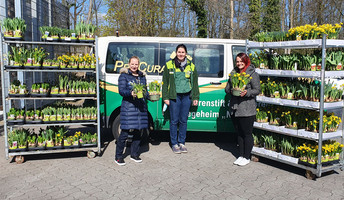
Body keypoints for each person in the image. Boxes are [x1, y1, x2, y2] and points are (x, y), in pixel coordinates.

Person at [162, 44, 200, 154]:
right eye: (179, 52)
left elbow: (195, 83)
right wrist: (165, 97)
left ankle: (182, 143)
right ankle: (174, 143)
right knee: (174, 121)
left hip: (186, 96)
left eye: (183, 52)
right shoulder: (169, 65)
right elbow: (165, 83)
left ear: (186, 54)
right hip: (174, 96)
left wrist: (196, 96)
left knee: (183, 120)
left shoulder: (191, 66)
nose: (181, 54)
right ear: (176, 53)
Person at [225, 52, 260, 166]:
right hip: (235, 108)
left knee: (247, 133)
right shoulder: (233, 72)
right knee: (239, 133)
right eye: (237, 61)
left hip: (247, 109)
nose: (239, 63)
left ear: (246, 61)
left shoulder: (252, 74)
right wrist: (231, 90)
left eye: (241, 61)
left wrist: (246, 92)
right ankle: (240, 155)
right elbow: (227, 88)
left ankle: (247, 157)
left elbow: (257, 90)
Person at [115, 56, 149, 166]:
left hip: (140, 109)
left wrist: (150, 96)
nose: (134, 66)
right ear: (129, 64)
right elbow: (121, 91)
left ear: (139, 65)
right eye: (132, 64)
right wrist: (131, 93)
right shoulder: (124, 76)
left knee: (138, 132)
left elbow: (145, 91)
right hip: (129, 108)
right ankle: (118, 156)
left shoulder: (142, 76)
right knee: (124, 133)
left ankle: (134, 154)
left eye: (136, 64)